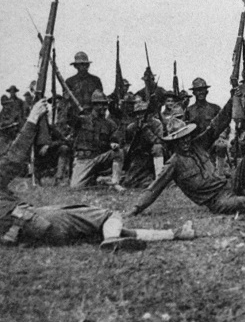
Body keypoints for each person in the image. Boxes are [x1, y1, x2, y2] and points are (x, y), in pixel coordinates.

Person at [1, 101, 194, 251]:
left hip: (24, 228)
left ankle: (174, 233)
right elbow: (15, 157)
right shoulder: (87, 120)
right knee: (110, 216)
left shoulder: (116, 123)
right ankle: (112, 241)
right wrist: (33, 118)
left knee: (105, 227)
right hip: (31, 221)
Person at [129, 87, 245, 216]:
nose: (186, 141)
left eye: (186, 137)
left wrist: (232, 98)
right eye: (181, 140)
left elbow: (218, 123)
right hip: (216, 200)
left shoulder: (199, 144)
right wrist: (136, 208)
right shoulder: (174, 164)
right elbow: (154, 188)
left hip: (230, 185)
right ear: (174, 142)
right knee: (243, 202)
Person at [69, 91, 124, 190]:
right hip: (83, 160)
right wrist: (67, 101)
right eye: (100, 104)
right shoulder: (82, 120)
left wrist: (114, 143)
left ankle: (115, 182)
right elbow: (69, 118)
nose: (103, 107)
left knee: (118, 152)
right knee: (75, 187)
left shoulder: (110, 124)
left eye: (105, 104)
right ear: (93, 105)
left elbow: (115, 138)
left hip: (99, 159)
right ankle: (100, 180)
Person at [121, 100, 165, 188]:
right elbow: (126, 144)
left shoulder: (156, 124)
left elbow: (158, 142)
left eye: (143, 113)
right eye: (137, 114)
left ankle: (159, 179)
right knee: (129, 182)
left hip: (154, 155)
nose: (139, 116)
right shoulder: (131, 127)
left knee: (157, 148)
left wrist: (146, 130)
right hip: (139, 157)